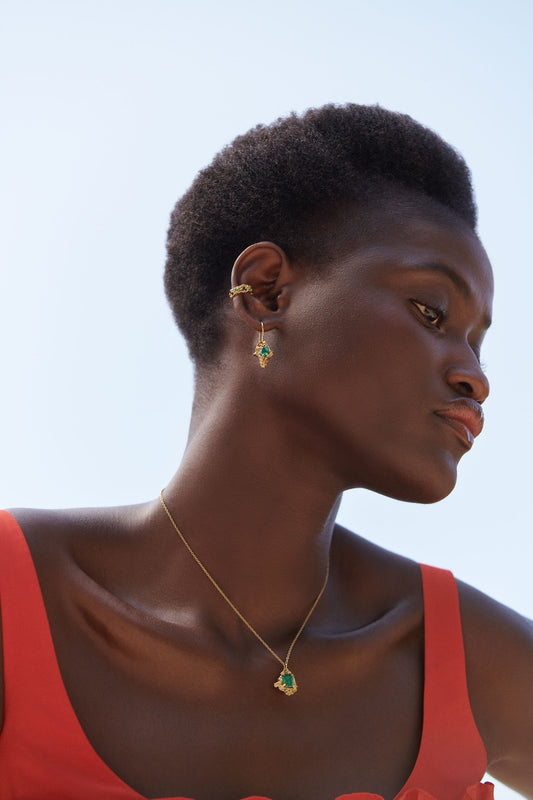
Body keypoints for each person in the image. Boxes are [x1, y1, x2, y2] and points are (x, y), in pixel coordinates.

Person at [0, 103, 531, 800]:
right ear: (264, 291)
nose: (473, 375)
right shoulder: (17, 597)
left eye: (476, 339)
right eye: (431, 312)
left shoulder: (472, 659)